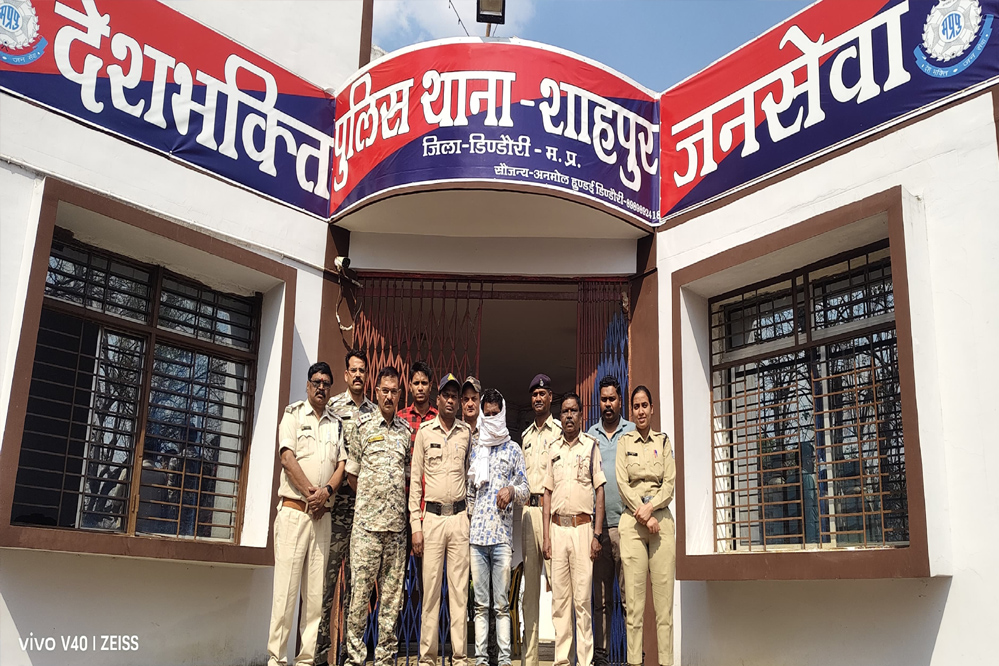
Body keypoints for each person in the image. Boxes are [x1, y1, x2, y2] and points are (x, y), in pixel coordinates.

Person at [267, 362, 346, 666]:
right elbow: (287, 458)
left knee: (314, 598)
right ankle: (276, 659)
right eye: (316, 382)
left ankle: (306, 660)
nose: (321, 387)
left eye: (326, 383)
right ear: (308, 384)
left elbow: (342, 465)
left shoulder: (336, 423)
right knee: (285, 595)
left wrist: (326, 492)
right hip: (294, 513)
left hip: (321, 517)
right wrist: (312, 495)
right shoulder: (293, 415)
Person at [343, 366, 411, 666]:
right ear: (377, 391)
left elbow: (408, 478)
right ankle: (355, 658)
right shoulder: (362, 427)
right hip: (366, 529)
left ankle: (384, 658)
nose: (389, 396)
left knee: (392, 601)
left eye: (394, 391)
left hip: (395, 531)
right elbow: (352, 475)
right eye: (384, 390)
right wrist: (373, 500)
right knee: (359, 597)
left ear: (400, 394)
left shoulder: (406, 432)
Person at [317, 350, 378, 666]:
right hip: (335, 510)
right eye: (353, 370)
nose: (357, 375)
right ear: (345, 374)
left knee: (358, 591)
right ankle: (319, 654)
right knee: (326, 585)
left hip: (363, 514)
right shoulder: (332, 408)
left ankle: (349, 656)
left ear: (367, 375)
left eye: (362, 370)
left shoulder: (375, 413)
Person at [410, 373, 473, 666]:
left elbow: (470, 477)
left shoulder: (466, 433)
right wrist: (416, 525)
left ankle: (459, 657)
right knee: (431, 592)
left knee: (460, 593)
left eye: (455, 396)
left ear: (459, 402)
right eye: (446, 395)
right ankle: (427, 658)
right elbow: (415, 482)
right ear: (438, 399)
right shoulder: (425, 432)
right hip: (432, 519)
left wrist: (469, 518)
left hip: (459, 518)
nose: (450, 400)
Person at [542, 392, 606, 666]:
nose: (569, 416)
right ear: (560, 416)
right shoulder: (553, 449)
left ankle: (585, 660)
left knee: (582, 601)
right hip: (557, 530)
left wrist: (596, 535)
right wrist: (546, 537)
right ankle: (561, 661)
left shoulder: (590, 447)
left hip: (583, 529)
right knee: (560, 602)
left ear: (581, 415)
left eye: (573, 411)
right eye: (565, 411)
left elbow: (599, 491)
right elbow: (546, 494)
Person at [467, 388, 529, 666]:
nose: (491, 418)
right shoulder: (476, 448)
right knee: (480, 606)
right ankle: (481, 659)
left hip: (502, 538)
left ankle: (504, 660)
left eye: (495, 414)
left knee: (502, 605)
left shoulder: (513, 449)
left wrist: (511, 491)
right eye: (487, 414)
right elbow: (469, 493)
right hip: (477, 538)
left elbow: (526, 489)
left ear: (502, 414)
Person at [616, 386, 675, 666]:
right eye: (636, 406)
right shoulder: (624, 442)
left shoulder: (663, 442)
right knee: (634, 608)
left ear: (652, 408)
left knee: (664, 609)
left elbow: (670, 484)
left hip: (661, 522)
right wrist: (643, 513)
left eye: (644, 406)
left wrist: (651, 509)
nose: (640, 411)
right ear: (632, 411)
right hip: (633, 523)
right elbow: (622, 483)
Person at [587, 375, 635, 666]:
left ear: (620, 401)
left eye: (612, 399)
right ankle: (601, 655)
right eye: (603, 399)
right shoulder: (590, 435)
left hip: (627, 526)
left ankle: (634, 656)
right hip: (598, 530)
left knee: (630, 598)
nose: (607, 404)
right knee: (601, 598)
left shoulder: (632, 431)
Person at [519, 373, 560, 666]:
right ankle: (529, 659)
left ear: (550, 397)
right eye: (534, 394)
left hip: (553, 513)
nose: (538, 398)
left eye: (542, 394)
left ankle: (563, 656)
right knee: (530, 592)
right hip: (528, 513)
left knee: (559, 587)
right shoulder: (525, 436)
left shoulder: (559, 432)